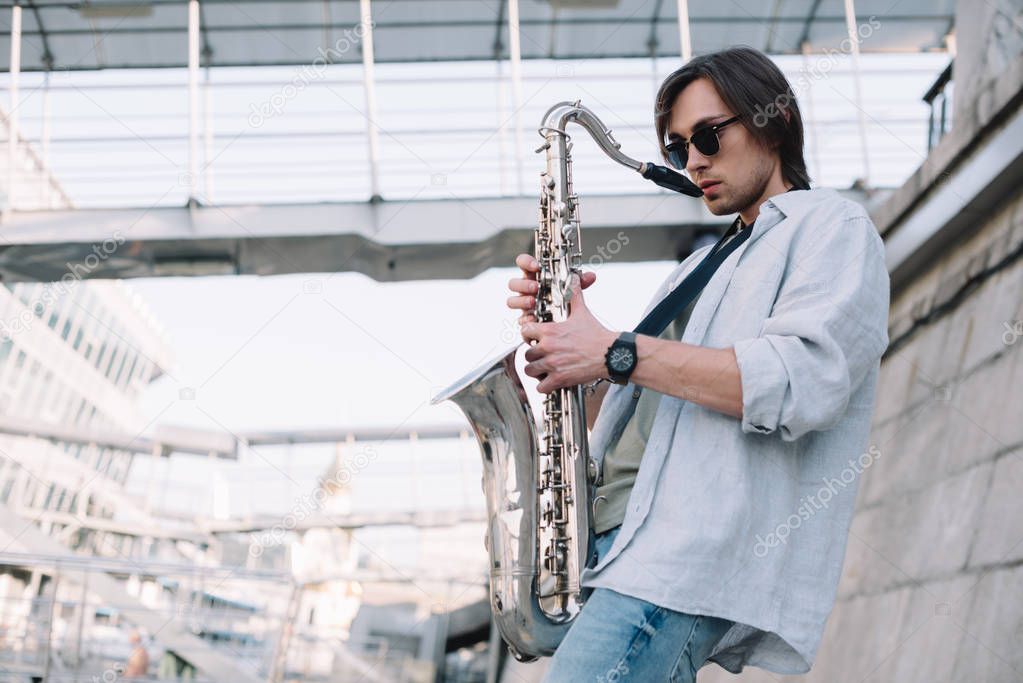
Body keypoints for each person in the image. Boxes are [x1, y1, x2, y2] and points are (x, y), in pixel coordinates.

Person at [506, 46, 890, 682]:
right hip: (613, 552)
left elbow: (798, 383)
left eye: (709, 135)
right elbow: (637, 409)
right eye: (678, 146)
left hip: (676, 567)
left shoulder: (832, 227)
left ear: (777, 119)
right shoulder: (699, 267)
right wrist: (569, 345)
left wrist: (613, 350)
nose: (693, 162)